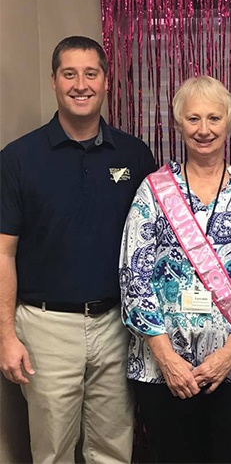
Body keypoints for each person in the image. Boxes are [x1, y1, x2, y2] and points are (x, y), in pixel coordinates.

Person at [0, 36, 156, 463]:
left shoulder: (135, 155)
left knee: (113, 449)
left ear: (107, 82)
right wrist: (6, 336)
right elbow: (3, 253)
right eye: (70, 73)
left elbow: (156, 245)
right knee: (52, 452)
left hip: (116, 326)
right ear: (54, 81)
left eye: (91, 73)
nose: (80, 84)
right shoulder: (18, 159)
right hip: (45, 327)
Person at [119, 75, 231, 463]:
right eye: (193, 119)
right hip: (166, 371)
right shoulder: (154, 189)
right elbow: (134, 273)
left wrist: (230, 354)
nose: (204, 129)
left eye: (214, 118)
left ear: (229, 122)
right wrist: (168, 359)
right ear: (178, 124)